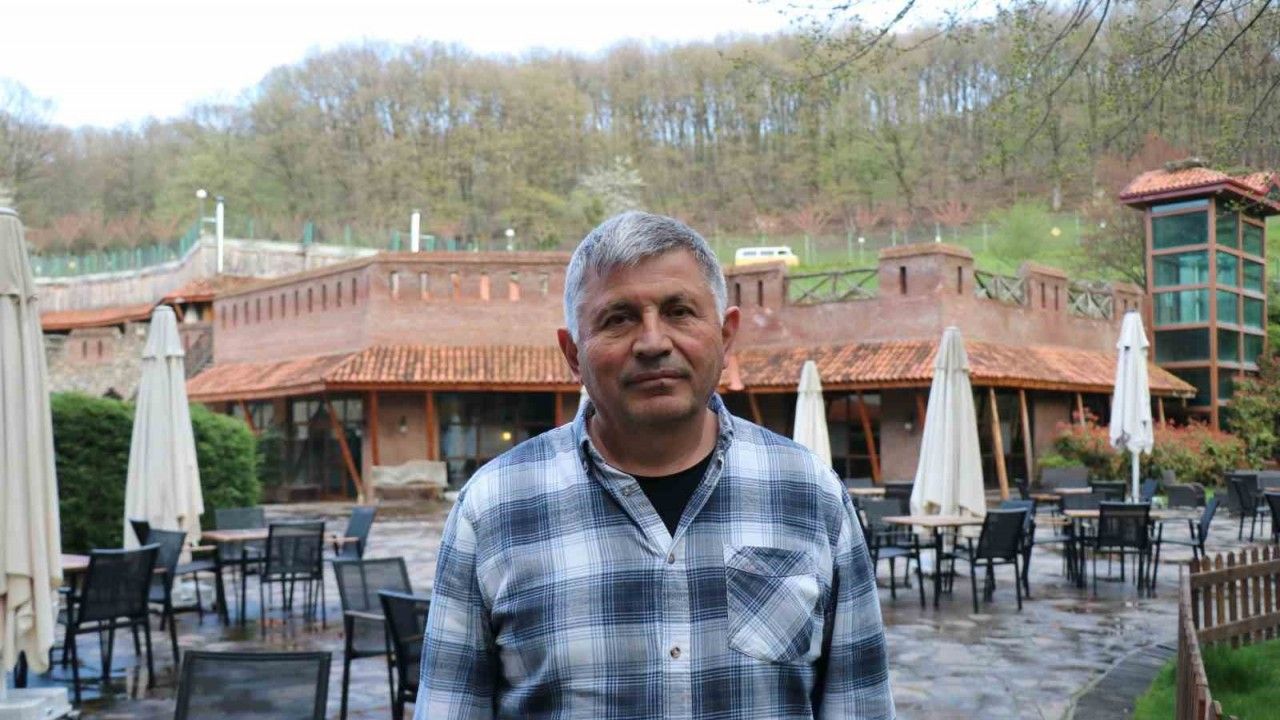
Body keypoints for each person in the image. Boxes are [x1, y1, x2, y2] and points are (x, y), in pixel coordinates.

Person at [418, 211, 894, 719]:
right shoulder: (492, 509)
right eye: (618, 318)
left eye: (679, 311)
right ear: (573, 354)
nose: (652, 343)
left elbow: (860, 706)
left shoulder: (810, 493)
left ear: (726, 335)